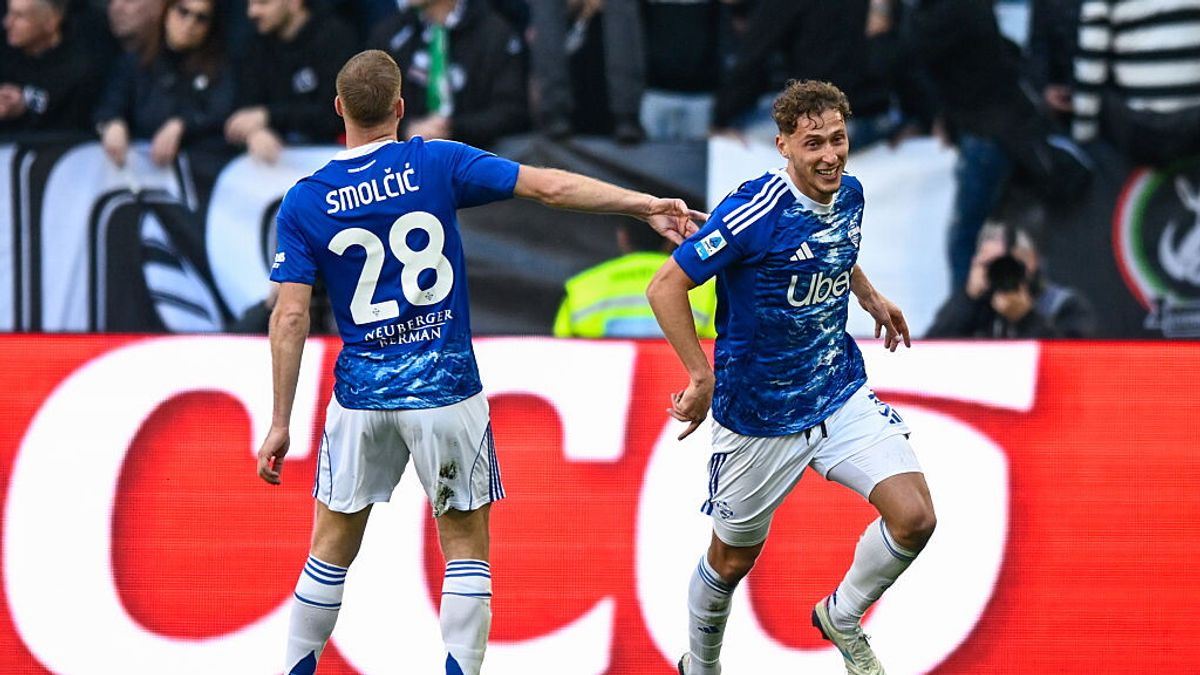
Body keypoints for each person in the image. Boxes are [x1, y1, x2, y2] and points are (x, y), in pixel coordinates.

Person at [256, 49, 700, 675]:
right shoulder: (435, 162)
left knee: (329, 551)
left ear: (338, 109)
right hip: (445, 390)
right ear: (401, 108)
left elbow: (290, 316)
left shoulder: (305, 201)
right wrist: (642, 204)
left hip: (360, 396)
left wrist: (281, 420)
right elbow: (550, 186)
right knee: (465, 550)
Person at [646, 79, 936, 675]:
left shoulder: (850, 193)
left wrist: (870, 296)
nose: (830, 156)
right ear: (783, 146)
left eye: (838, 139)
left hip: (836, 391)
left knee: (915, 517)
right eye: (813, 144)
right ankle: (701, 665)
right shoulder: (754, 212)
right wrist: (701, 377)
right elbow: (665, 286)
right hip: (757, 416)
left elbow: (835, 243)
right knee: (730, 562)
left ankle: (842, 615)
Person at [366, 0, 529, 148]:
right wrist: (406, 128)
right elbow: (370, 106)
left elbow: (512, 111)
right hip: (406, 154)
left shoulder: (495, 33)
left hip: (479, 153)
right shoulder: (390, 33)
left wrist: (452, 128)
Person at [94, 0, 235, 166]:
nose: (190, 23)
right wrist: (112, 124)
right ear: (167, 12)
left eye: (201, 18)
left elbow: (219, 112)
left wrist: (182, 125)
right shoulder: (136, 60)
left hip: (193, 167)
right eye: (183, 12)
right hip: (135, 165)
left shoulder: (219, 69)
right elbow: (110, 104)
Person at [224, 0, 356, 163]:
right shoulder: (254, 46)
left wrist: (268, 116)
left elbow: (335, 114)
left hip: (331, 154)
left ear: (295, 2)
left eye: (263, 3)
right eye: (250, 4)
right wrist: (254, 132)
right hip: (275, 160)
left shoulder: (334, 37)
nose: (252, 12)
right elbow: (242, 112)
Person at [925, 222, 1096, 338]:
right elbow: (931, 352)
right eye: (992, 264)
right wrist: (968, 298)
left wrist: (1026, 318)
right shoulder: (977, 307)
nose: (1003, 271)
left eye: (1010, 263)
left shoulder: (1062, 305)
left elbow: (1072, 363)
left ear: (1032, 260)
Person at [553, 220, 717, 338]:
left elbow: (561, 350)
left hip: (606, 375)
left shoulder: (581, 286)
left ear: (622, 238)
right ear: (670, 239)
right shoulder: (706, 286)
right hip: (678, 375)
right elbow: (717, 347)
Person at [0, 0, 100, 134]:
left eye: (20, 16)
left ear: (50, 22)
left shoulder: (78, 69)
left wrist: (25, 103)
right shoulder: (5, 51)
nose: (7, 23)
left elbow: (68, 125)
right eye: (9, 13)